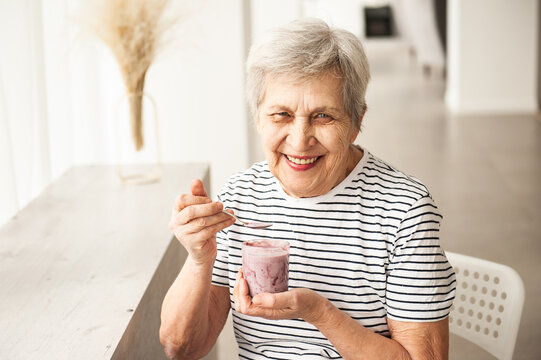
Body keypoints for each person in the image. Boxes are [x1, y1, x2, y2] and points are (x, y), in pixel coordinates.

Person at [160, 18, 456, 360]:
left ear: (357, 121)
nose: (300, 141)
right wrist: (200, 260)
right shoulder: (240, 199)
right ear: (258, 118)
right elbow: (179, 349)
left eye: (323, 116)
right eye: (281, 115)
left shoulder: (404, 211)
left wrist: (318, 312)